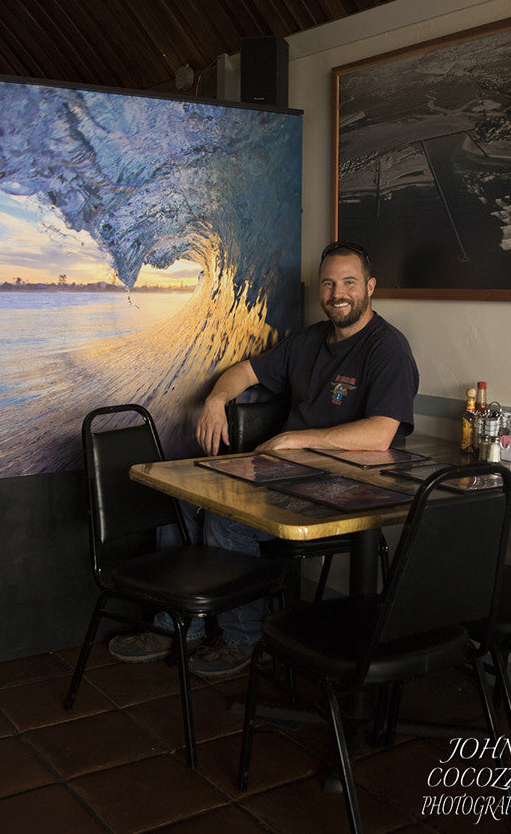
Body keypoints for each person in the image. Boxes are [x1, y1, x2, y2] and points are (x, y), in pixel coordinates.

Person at [109, 240, 419, 677]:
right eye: (329, 283)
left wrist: (296, 441)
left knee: (227, 517)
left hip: (347, 488)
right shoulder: (310, 340)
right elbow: (246, 372)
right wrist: (216, 399)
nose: (337, 293)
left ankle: (243, 637)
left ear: (370, 287)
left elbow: (381, 432)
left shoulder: (387, 349)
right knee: (182, 498)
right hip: (287, 474)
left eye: (349, 282)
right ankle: (179, 624)